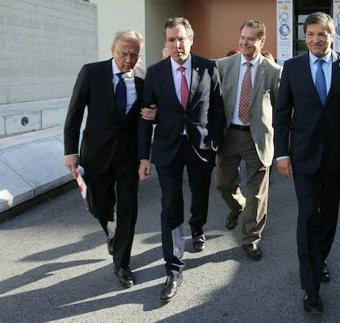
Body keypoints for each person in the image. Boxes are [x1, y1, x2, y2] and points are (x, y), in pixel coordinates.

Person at [274, 12, 340, 314]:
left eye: (322, 34)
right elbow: (281, 114)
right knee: (306, 215)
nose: (316, 39)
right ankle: (310, 287)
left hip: (337, 156)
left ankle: (320, 258)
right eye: (311, 34)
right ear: (305, 36)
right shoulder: (292, 67)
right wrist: (282, 153)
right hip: (302, 156)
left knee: (328, 214)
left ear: (332, 35)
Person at [137, 17, 225, 301]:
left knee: (200, 194)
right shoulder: (155, 72)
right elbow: (146, 113)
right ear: (166, 43)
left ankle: (197, 228)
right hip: (167, 148)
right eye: (171, 40)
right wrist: (143, 155)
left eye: (181, 39)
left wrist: (215, 144)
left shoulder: (209, 67)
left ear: (191, 39)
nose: (177, 45)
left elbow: (218, 109)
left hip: (200, 147)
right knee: (170, 204)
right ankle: (173, 268)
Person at [64, 30, 156, 288]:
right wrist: (70, 152)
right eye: (123, 53)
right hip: (96, 153)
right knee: (100, 206)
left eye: (134, 55)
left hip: (128, 157)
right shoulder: (91, 73)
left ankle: (122, 263)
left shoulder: (143, 77)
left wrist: (144, 155)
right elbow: (74, 114)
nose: (128, 59)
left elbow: (147, 118)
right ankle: (111, 230)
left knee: (129, 208)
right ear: (112, 50)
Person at [215, 20, 282, 260]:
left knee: (257, 193)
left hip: (258, 138)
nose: (244, 42)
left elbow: (279, 108)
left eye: (251, 38)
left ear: (261, 41)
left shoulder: (274, 71)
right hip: (229, 135)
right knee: (224, 185)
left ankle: (251, 238)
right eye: (242, 37)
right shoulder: (222, 65)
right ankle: (237, 207)